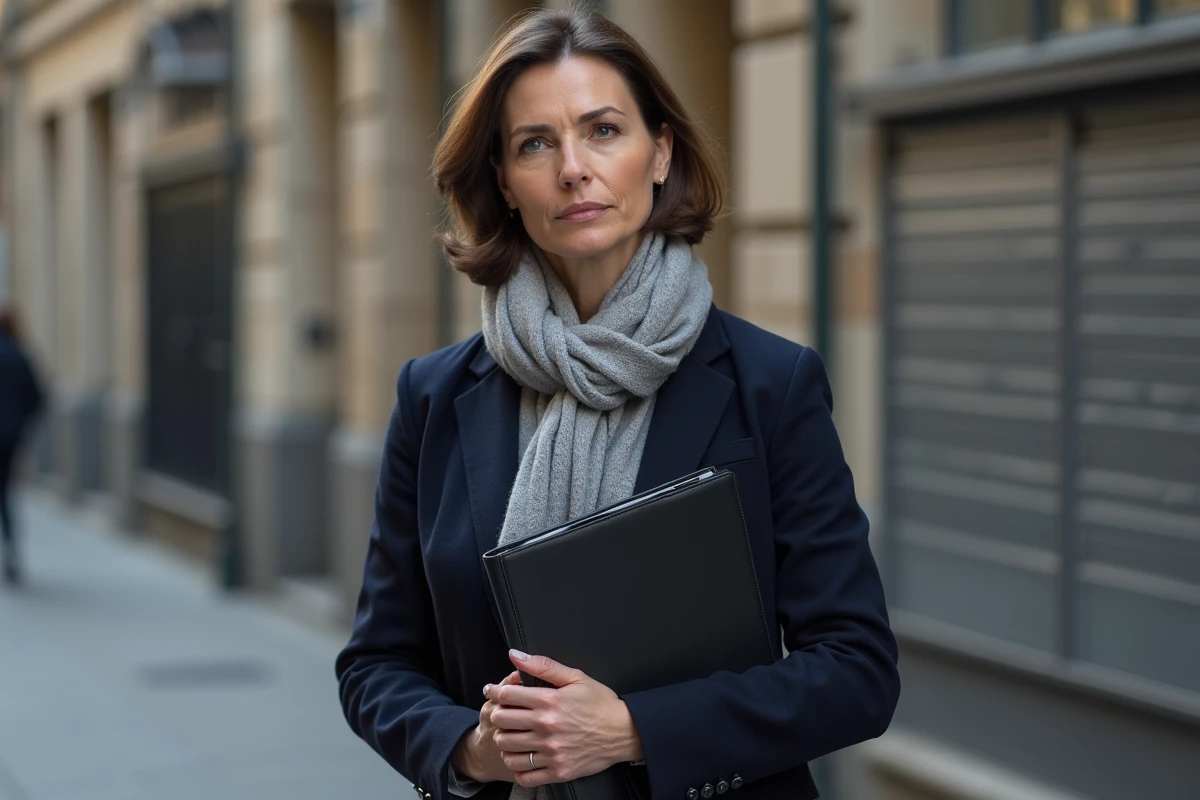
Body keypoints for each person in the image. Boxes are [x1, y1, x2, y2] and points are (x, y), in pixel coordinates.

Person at [336, 8, 899, 800]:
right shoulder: (433, 397)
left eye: (603, 130)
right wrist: (472, 746)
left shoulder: (770, 385)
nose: (574, 168)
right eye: (536, 143)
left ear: (660, 150)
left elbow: (856, 672)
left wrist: (633, 729)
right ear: (502, 178)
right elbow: (376, 664)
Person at [0, 306, 45, 586]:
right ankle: (11, 550)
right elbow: (38, 398)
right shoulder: (20, 357)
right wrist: (19, 425)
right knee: (5, 493)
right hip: (9, 437)